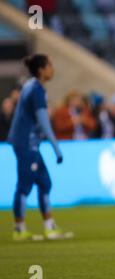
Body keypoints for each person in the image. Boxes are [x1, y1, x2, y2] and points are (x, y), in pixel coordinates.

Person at [7, 54, 70, 241]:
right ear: (42, 70)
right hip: (26, 143)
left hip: (28, 143)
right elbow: (44, 123)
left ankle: (49, 227)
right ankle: (19, 229)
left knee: (44, 182)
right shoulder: (37, 90)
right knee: (24, 186)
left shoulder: (30, 86)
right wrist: (56, 148)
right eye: (50, 65)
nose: (53, 69)